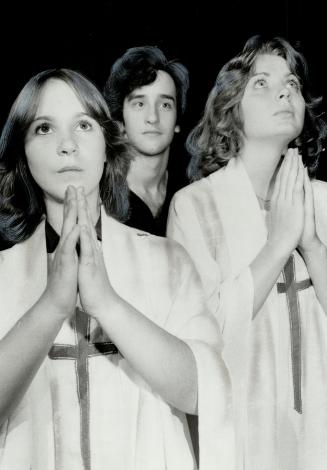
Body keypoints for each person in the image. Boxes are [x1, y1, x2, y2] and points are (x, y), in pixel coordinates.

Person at [0, 68, 236, 470]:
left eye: (83, 125)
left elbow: (203, 392)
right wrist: (52, 306)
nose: (67, 146)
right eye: (44, 128)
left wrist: (107, 304)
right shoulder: (5, 272)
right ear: (22, 152)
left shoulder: (169, 261)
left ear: (109, 145)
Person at [167, 35, 327, 469]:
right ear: (229, 109)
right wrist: (279, 244)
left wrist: (310, 242)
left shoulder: (324, 200)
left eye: (292, 84)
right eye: (262, 82)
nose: (284, 91)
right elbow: (201, 336)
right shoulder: (195, 206)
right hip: (245, 431)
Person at [103, 45, 189, 235]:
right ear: (121, 120)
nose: (153, 117)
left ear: (177, 121)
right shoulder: (100, 197)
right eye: (139, 104)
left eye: (165, 105)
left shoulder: (191, 192)